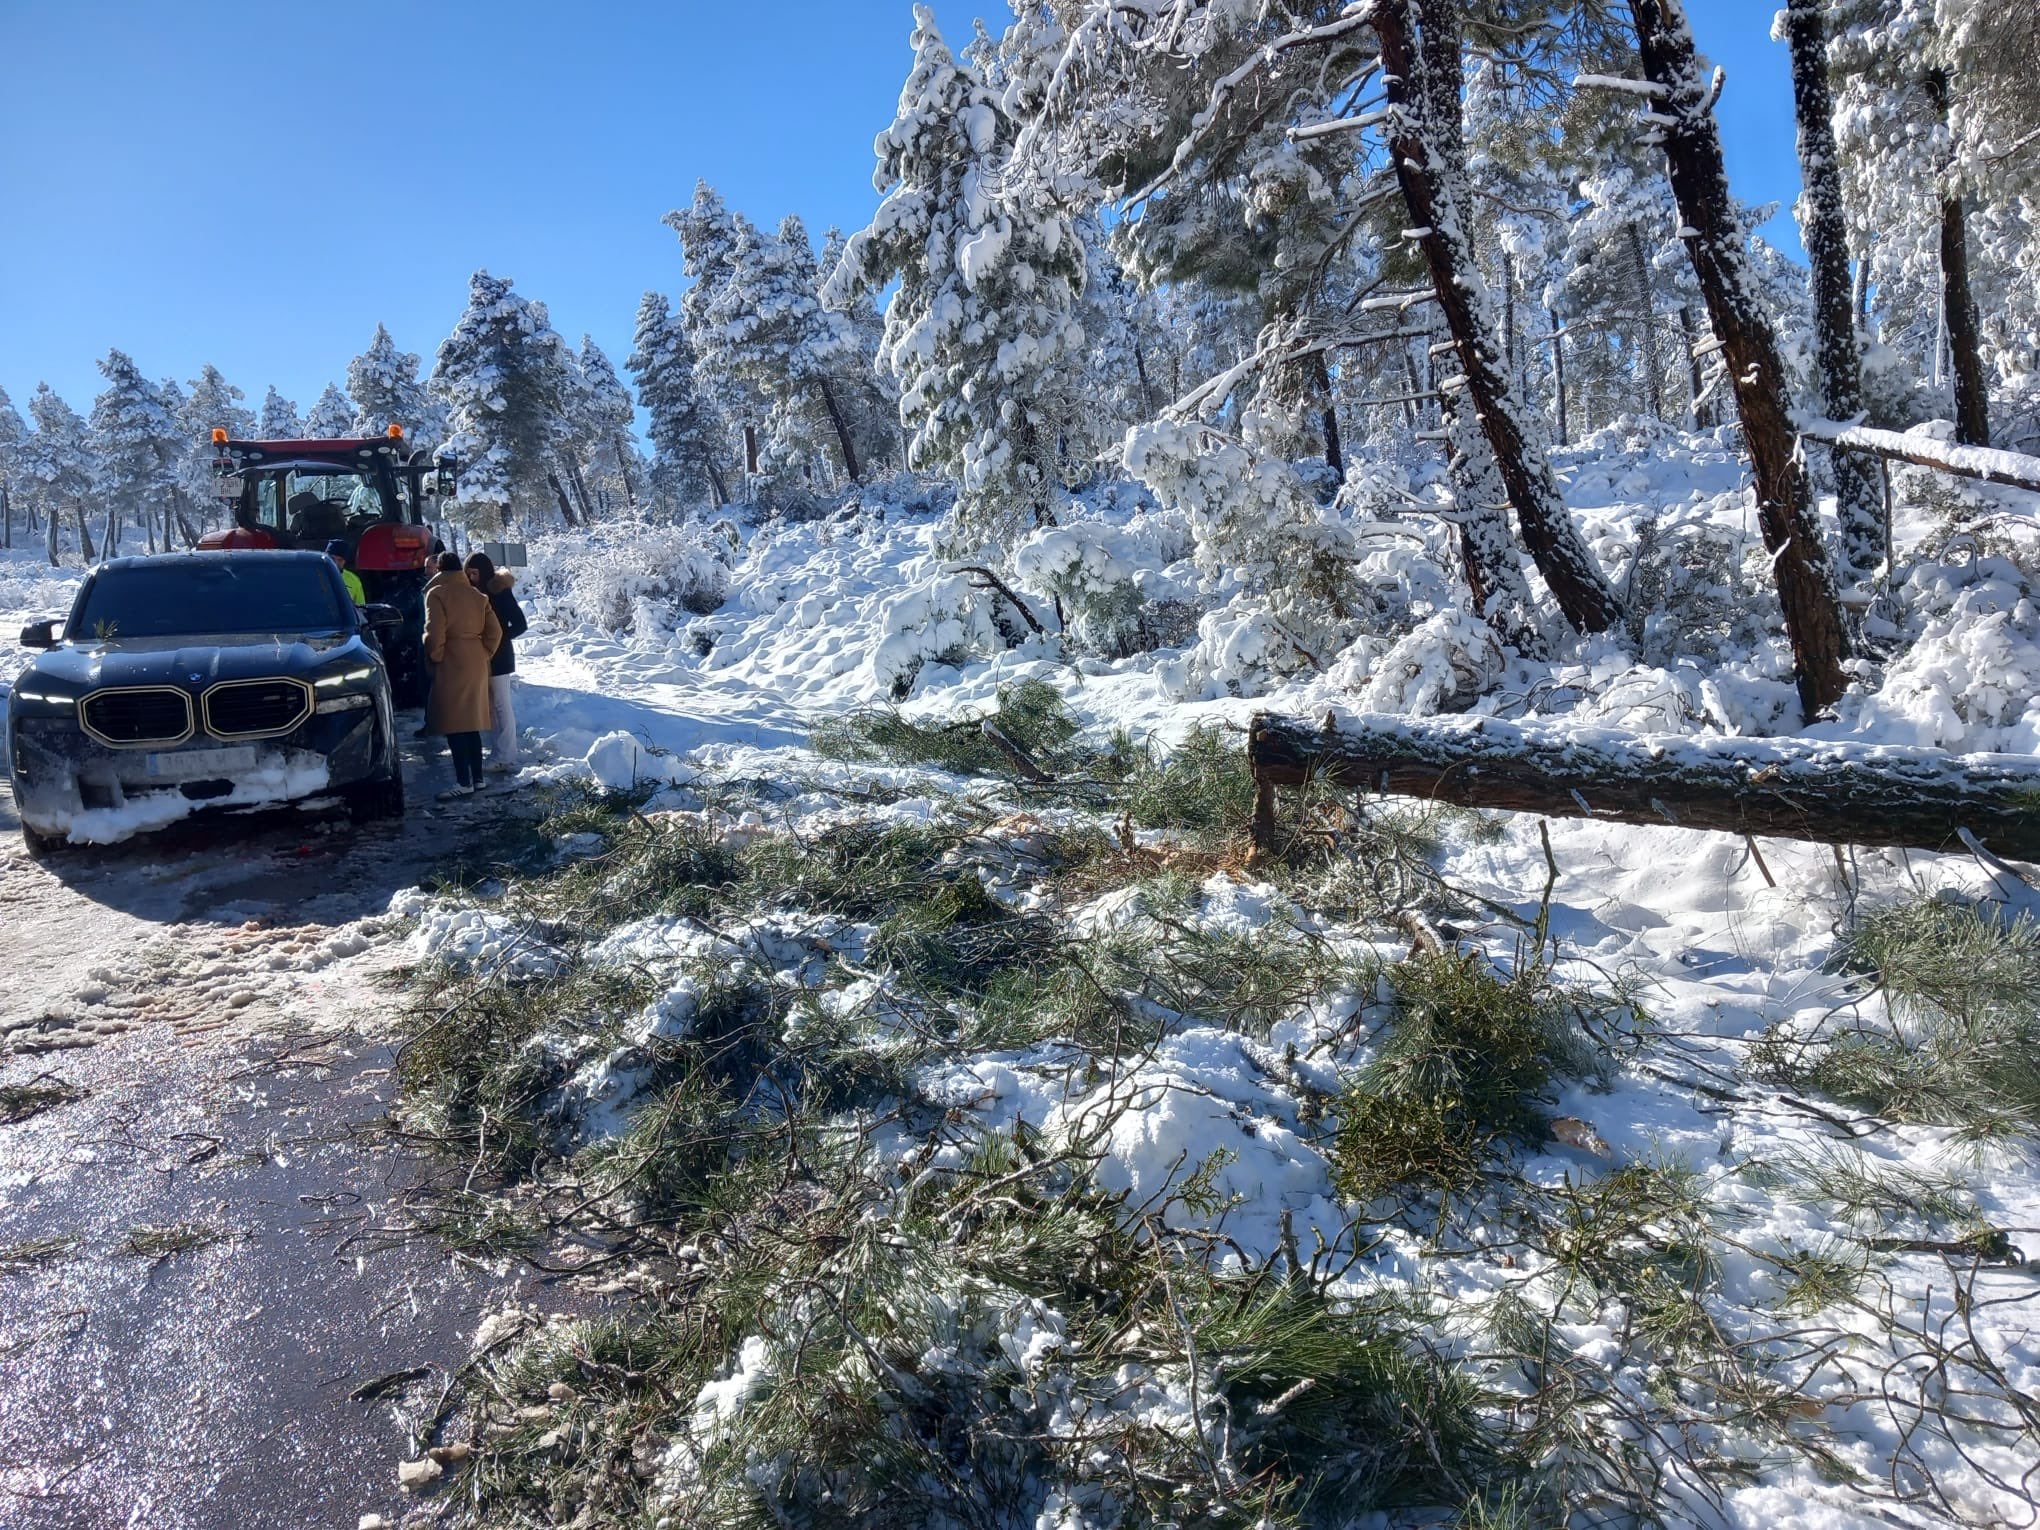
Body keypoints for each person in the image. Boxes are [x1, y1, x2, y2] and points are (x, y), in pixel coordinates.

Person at [422, 550, 502, 799]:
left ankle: (462, 781)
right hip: (476, 659)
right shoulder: (478, 596)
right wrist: (483, 652)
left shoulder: (436, 594)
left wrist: (434, 655)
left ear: (439, 570)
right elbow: (496, 631)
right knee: (471, 723)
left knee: (454, 723)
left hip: (451, 659)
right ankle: (478, 779)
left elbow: (435, 631)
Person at [465, 551, 528, 773]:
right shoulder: (471, 592)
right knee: (490, 706)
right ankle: (497, 752)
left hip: (499, 656)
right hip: (481, 656)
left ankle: (507, 754)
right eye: (468, 573)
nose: (471, 577)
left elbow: (520, 624)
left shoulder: (499, 590)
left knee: (501, 705)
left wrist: (499, 639)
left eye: (474, 573)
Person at [325, 539, 366, 605]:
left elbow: (361, 607)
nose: (335, 563)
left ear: (345, 561)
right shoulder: (315, 576)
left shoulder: (354, 580)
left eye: (340, 560)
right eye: (332, 558)